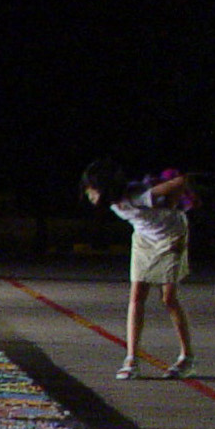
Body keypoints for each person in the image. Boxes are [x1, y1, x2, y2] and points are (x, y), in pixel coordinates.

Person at [82, 159, 195, 378]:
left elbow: (181, 181)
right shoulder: (115, 203)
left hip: (171, 237)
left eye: (92, 191)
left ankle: (187, 357)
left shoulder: (139, 196)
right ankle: (131, 358)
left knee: (169, 298)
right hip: (144, 239)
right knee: (136, 296)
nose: (89, 195)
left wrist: (173, 205)